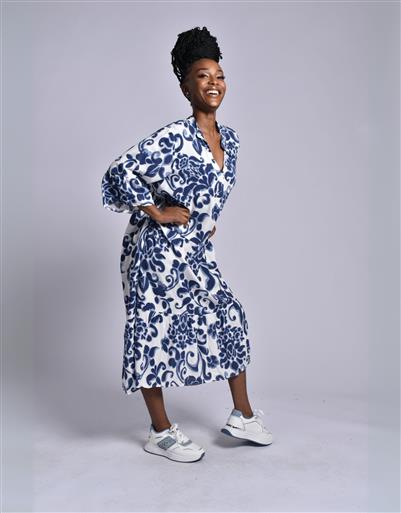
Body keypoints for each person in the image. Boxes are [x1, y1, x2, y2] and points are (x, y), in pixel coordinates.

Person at [101, 26, 273, 463]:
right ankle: (160, 432)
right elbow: (120, 170)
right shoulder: (174, 137)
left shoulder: (230, 140)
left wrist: (205, 221)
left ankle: (243, 416)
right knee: (152, 332)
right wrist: (156, 212)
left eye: (219, 75)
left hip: (195, 252)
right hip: (158, 254)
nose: (214, 83)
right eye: (202, 76)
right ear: (185, 87)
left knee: (229, 314)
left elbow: (211, 193)